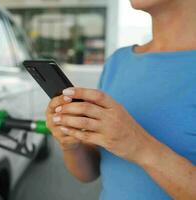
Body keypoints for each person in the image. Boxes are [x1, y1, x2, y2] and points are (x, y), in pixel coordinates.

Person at [45, 0, 196, 199]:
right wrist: (71, 143)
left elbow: (134, 145)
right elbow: (90, 172)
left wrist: (140, 147)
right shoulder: (118, 61)